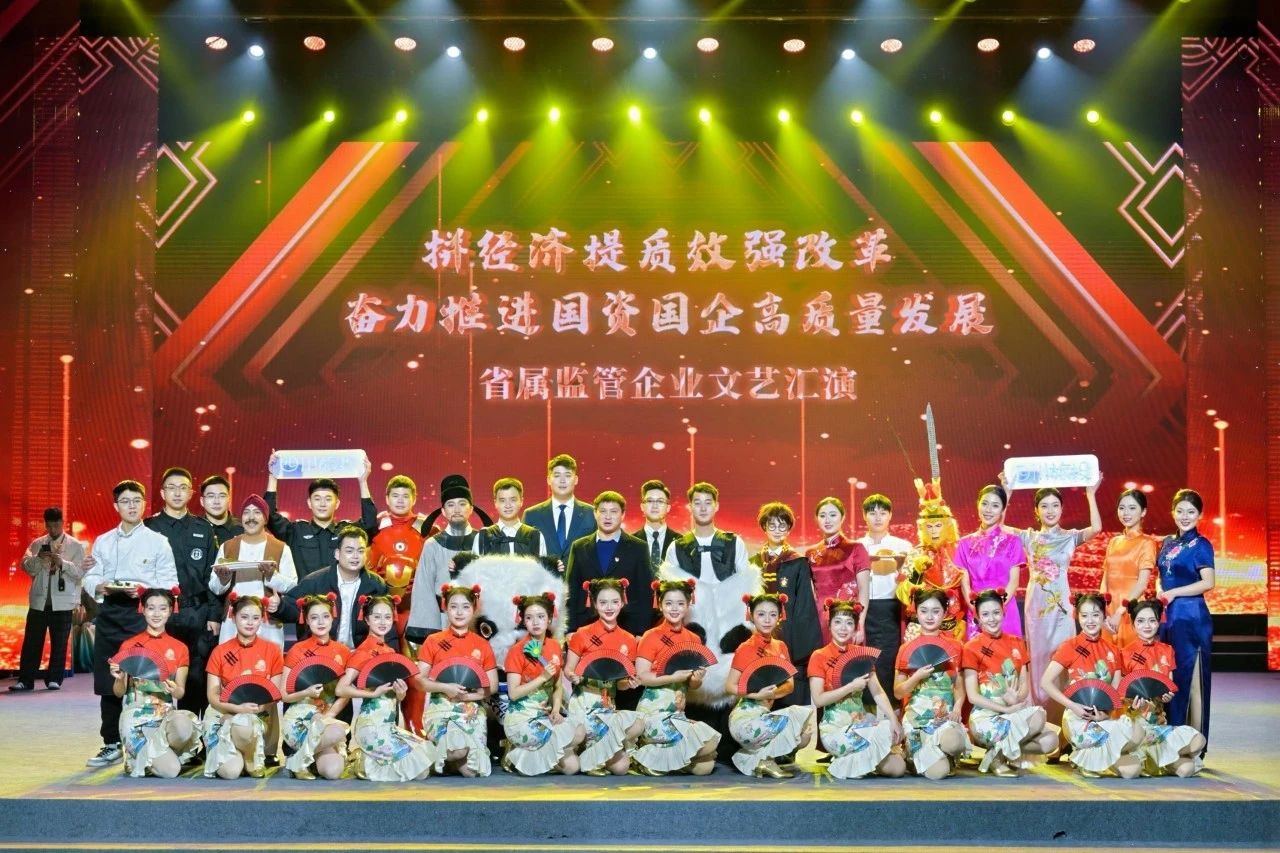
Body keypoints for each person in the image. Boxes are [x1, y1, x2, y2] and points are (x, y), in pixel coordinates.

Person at [81, 480, 178, 769]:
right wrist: (100, 586)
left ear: (144, 504)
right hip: (110, 613)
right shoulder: (103, 541)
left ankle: (152, 740)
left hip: (141, 615)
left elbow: (170, 582)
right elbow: (91, 577)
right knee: (109, 681)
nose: (132, 506)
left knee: (148, 679)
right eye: (125, 501)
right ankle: (111, 743)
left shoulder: (158, 541)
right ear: (116, 506)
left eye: (136, 501)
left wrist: (145, 592)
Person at [660, 482, 761, 710]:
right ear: (690, 507)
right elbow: (670, 595)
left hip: (730, 630)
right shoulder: (677, 548)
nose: (703, 507)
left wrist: (745, 627)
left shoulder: (734, 543)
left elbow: (748, 589)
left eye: (708, 502)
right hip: (693, 628)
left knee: (730, 696)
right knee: (694, 696)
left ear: (716, 506)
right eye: (697, 503)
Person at [1019, 478, 1102, 727]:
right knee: (1038, 659)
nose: (1050, 510)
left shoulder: (1069, 537)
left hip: (1063, 608)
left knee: (1064, 657)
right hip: (1037, 607)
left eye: (1055, 505)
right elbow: (1000, 527)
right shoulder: (1028, 537)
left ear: (1062, 509)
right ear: (1036, 510)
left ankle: (1065, 722)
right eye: (1044, 506)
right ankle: (1039, 723)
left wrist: (1090, 493)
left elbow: (1096, 528)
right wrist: (1008, 492)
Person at [1039, 592, 1142, 778]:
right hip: (1077, 717)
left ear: (1104, 615)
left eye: (1095, 615)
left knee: (1132, 769)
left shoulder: (1113, 651)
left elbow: (1115, 693)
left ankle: (1084, 754)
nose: (1090, 621)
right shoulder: (1069, 646)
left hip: (1102, 718)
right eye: (1084, 615)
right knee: (1109, 747)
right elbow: (1045, 682)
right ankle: (1080, 753)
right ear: (1077, 617)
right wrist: (1073, 706)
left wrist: (1105, 714)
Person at [145, 466, 222, 716]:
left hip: (197, 613)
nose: (177, 493)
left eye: (183, 488)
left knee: (196, 676)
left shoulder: (204, 527)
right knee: (160, 673)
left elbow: (213, 575)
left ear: (190, 493)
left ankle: (192, 732)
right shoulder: (149, 527)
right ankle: (162, 730)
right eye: (171, 488)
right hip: (161, 613)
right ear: (162, 493)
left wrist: (214, 614)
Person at [337, 594, 435, 781]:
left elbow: (395, 697)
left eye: (387, 617)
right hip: (371, 727)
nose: (383, 622)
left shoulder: (390, 651)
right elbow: (341, 689)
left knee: (424, 765)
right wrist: (372, 693)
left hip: (389, 726)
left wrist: (400, 693)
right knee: (418, 770)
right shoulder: (362, 652)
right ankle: (361, 763)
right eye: (377, 617)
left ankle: (367, 760)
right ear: (367, 619)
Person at [632, 579, 722, 776]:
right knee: (707, 745)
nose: (674, 608)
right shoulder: (650, 636)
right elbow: (642, 676)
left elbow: (693, 685)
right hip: (654, 711)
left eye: (680, 603)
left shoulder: (693, 639)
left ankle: (657, 760)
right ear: (660, 604)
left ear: (688, 605)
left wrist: (697, 678)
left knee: (704, 767)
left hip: (678, 712)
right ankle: (641, 755)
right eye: (669, 603)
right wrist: (672, 677)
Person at [962, 589, 1057, 775]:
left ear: (1004, 612)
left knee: (1050, 741)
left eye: (996, 613)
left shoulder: (1017, 642)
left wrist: (1017, 698)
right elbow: (972, 696)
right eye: (985, 614)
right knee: (1036, 718)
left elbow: (1024, 685)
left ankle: (997, 754)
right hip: (986, 717)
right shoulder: (971, 647)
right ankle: (998, 756)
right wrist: (1004, 709)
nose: (992, 619)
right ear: (978, 617)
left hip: (1013, 712)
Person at [807, 598, 904, 780]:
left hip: (861, 724)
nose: (843, 628)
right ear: (829, 624)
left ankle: (857, 762)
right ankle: (849, 762)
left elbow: (878, 692)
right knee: (883, 736)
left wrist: (893, 719)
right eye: (838, 622)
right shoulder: (819, 656)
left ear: (855, 627)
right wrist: (851, 687)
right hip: (836, 731)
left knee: (897, 767)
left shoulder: (861, 655)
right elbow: (818, 700)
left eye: (849, 623)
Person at [112, 588, 202, 777]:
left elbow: (180, 693)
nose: (156, 614)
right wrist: (119, 678)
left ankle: (155, 754)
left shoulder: (180, 648)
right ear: (143, 610)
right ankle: (143, 754)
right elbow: (119, 692)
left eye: (162, 608)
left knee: (184, 726)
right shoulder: (129, 645)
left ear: (170, 611)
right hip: (135, 717)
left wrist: (174, 689)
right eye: (151, 608)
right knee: (171, 771)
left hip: (164, 715)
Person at [725, 592, 813, 778]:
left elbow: (790, 685)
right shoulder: (745, 648)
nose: (767, 620)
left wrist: (771, 694)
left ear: (780, 616)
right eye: (761, 614)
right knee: (795, 715)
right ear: (751, 616)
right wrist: (757, 695)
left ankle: (763, 759)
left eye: (773, 614)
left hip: (765, 713)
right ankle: (764, 759)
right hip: (745, 717)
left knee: (805, 734)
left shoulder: (780, 647)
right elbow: (730, 686)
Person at [564, 577, 644, 776]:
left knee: (622, 767)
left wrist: (630, 683)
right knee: (615, 763)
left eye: (615, 602)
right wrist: (574, 677)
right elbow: (568, 669)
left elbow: (622, 683)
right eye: (603, 602)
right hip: (584, 702)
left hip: (608, 704)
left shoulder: (628, 639)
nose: (609, 607)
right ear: (594, 603)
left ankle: (593, 752)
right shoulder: (582, 634)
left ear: (622, 602)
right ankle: (585, 749)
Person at [417, 584, 499, 777]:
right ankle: (433, 754)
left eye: (465, 607)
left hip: (471, 709)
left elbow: (492, 686)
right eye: (454, 606)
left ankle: (447, 762)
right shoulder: (433, 641)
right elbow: (419, 680)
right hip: (442, 707)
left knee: (472, 772)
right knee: (457, 751)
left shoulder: (482, 644)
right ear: (445, 608)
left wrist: (468, 697)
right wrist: (445, 688)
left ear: (474, 608)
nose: (459, 612)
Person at [1120, 598, 1207, 776]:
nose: (1147, 626)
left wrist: (1166, 696)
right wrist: (1131, 705)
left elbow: (1168, 685)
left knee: (1193, 755)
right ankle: (1141, 757)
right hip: (1134, 725)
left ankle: (1161, 758)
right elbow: (1119, 693)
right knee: (1131, 770)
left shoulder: (1167, 651)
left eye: (1152, 620)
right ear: (1133, 624)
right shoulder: (1125, 653)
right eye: (1140, 621)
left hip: (1158, 724)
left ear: (1159, 622)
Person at [748, 502, 822, 708]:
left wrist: (798, 649)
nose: (777, 530)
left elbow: (804, 607)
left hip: (789, 636)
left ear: (789, 529)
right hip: (758, 634)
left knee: (790, 698)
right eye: (772, 525)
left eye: (782, 526)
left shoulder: (797, 562)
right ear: (764, 527)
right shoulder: (754, 562)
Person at [202, 594, 284, 779]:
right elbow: (212, 695)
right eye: (244, 617)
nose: (250, 622)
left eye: (255, 618)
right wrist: (237, 709)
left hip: (256, 713)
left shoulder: (272, 650)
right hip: (224, 713)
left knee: (245, 725)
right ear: (233, 616)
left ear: (262, 619)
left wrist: (255, 709)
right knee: (230, 773)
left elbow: (274, 693)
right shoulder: (220, 651)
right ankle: (236, 752)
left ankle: (249, 755)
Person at [1156, 488, 1214, 742]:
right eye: (1180, 511)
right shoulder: (1168, 543)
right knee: (1170, 679)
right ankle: (1172, 741)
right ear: (1172, 512)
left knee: (1192, 681)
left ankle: (1195, 744)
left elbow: (1208, 582)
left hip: (1192, 617)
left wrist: (1174, 593)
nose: (1185, 516)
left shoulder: (1201, 545)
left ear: (1200, 515)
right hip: (1168, 617)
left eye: (1191, 512)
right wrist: (1160, 592)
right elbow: (1161, 576)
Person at [276, 525, 394, 651]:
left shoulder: (376, 585)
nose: (355, 556)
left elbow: (388, 624)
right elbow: (292, 609)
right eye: (349, 551)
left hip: (361, 653)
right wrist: (279, 606)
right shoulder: (314, 581)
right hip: (321, 652)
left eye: (360, 551)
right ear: (337, 554)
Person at [502, 592, 583, 776]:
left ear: (549, 619)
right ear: (523, 621)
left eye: (541, 617)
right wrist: (542, 677)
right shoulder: (516, 651)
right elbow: (513, 694)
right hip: (521, 718)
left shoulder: (554, 646)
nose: (535, 622)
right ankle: (515, 746)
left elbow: (557, 685)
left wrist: (556, 710)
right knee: (572, 737)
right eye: (529, 618)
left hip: (544, 716)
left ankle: (519, 756)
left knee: (572, 766)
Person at [893, 588, 970, 779]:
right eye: (924, 611)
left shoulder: (956, 647)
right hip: (917, 720)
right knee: (938, 772)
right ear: (916, 612)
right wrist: (916, 677)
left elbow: (959, 687)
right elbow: (898, 692)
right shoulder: (906, 648)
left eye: (936, 611)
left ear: (944, 613)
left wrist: (957, 708)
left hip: (944, 718)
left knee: (955, 742)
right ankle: (920, 756)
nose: (929, 617)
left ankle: (939, 753)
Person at [404, 474, 487, 644]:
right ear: (443, 511)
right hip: (442, 622)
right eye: (450, 504)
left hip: (477, 622)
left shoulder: (483, 541)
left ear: (471, 508)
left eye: (462, 504)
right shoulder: (432, 545)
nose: (456, 509)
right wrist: (432, 634)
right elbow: (424, 590)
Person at [264, 452, 377, 576]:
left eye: (328, 499)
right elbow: (269, 516)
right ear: (309, 503)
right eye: (317, 499)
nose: (322, 504)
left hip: (340, 589)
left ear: (337, 504)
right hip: (305, 589)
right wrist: (273, 476)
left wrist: (363, 482)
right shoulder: (296, 532)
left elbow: (370, 524)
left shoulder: (347, 531)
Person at [208, 494, 298, 646]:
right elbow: (215, 587)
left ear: (265, 518)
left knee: (267, 660)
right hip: (233, 620)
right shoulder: (228, 546)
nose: (251, 518)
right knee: (231, 660)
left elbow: (292, 586)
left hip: (268, 622)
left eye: (257, 512)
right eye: (246, 512)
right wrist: (223, 580)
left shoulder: (281, 548)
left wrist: (271, 575)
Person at [11, 507, 85, 692]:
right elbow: (26, 567)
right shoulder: (37, 544)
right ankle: (25, 680)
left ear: (62, 523)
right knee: (32, 642)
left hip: (63, 602)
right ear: (45, 524)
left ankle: (54, 679)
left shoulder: (75, 545)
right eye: (49, 526)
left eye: (56, 525)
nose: (53, 529)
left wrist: (62, 563)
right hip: (39, 601)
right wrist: (38, 558)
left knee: (59, 643)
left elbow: (80, 573)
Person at [564, 491, 654, 638]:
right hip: (585, 626)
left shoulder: (638, 547)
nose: (608, 516)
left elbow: (644, 594)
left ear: (623, 515)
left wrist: (641, 632)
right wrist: (570, 629)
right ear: (595, 513)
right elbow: (571, 591)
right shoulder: (579, 547)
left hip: (627, 627)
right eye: (603, 511)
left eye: (613, 511)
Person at [281, 593, 351, 780]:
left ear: (332, 617)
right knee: (336, 730)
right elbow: (284, 694)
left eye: (325, 616)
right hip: (301, 717)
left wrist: (330, 715)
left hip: (327, 718)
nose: (321, 622)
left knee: (333, 772)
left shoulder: (343, 651)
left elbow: (345, 693)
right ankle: (302, 758)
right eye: (314, 617)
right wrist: (306, 692)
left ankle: (300, 760)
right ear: (306, 621)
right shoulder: (297, 650)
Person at [855, 494, 913, 710]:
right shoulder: (857, 546)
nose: (877, 517)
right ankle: (867, 712)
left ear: (890, 515)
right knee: (865, 658)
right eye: (872, 513)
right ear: (864, 516)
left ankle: (893, 713)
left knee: (890, 659)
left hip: (892, 610)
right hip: (864, 610)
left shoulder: (903, 546)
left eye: (883, 512)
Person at [897, 479, 970, 643]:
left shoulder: (959, 551)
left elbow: (969, 589)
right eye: (929, 527)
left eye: (938, 526)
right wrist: (916, 572)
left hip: (954, 625)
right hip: (921, 626)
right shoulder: (916, 553)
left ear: (947, 526)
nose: (934, 531)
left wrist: (964, 620)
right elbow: (902, 594)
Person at [952, 485, 1023, 639]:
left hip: (1005, 609)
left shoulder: (1013, 541)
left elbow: (1014, 582)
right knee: (979, 652)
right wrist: (977, 609)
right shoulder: (964, 543)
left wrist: (997, 608)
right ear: (977, 504)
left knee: (1008, 651)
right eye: (984, 503)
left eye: (995, 505)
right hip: (976, 609)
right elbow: (965, 585)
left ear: (1003, 510)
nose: (988, 510)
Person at [368, 474, 430, 639]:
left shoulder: (428, 528)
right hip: (380, 606)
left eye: (405, 496)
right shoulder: (374, 526)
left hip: (416, 607)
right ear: (387, 499)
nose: (400, 500)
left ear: (414, 499)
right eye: (395, 496)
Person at [805, 498, 871, 645]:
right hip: (818, 620)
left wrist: (859, 624)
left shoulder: (856, 548)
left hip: (846, 619)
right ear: (816, 519)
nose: (827, 520)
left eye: (833, 515)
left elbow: (864, 590)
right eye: (822, 516)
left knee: (848, 658)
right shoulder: (810, 553)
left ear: (843, 517)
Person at [1100, 489, 1157, 650]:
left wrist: (1120, 611)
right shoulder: (1114, 542)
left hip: (1131, 608)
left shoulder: (1147, 543)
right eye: (1122, 508)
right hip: (1109, 611)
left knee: (1131, 657)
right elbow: (1106, 577)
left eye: (1132, 508)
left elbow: (1142, 584)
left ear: (1143, 512)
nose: (1126, 513)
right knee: (1107, 658)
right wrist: (1102, 608)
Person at [523, 454, 596, 562]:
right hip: (543, 573)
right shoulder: (531, 515)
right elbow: (524, 557)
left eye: (567, 475)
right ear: (548, 480)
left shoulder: (592, 513)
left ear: (576, 480)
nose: (562, 480)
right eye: (557, 475)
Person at [476, 478, 547, 558]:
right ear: (495, 503)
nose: (508, 505)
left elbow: (543, 566)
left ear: (521, 501)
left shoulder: (535, 536)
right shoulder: (483, 537)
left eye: (513, 500)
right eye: (502, 500)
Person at [631, 480, 679, 570]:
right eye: (650, 501)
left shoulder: (680, 543)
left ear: (668, 508)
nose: (655, 506)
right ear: (642, 506)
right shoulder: (629, 543)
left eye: (660, 501)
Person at [199, 475, 243, 547]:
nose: (216, 502)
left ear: (229, 499)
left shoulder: (243, 530)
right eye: (211, 496)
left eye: (222, 496)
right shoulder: (192, 529)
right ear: (202, 501)